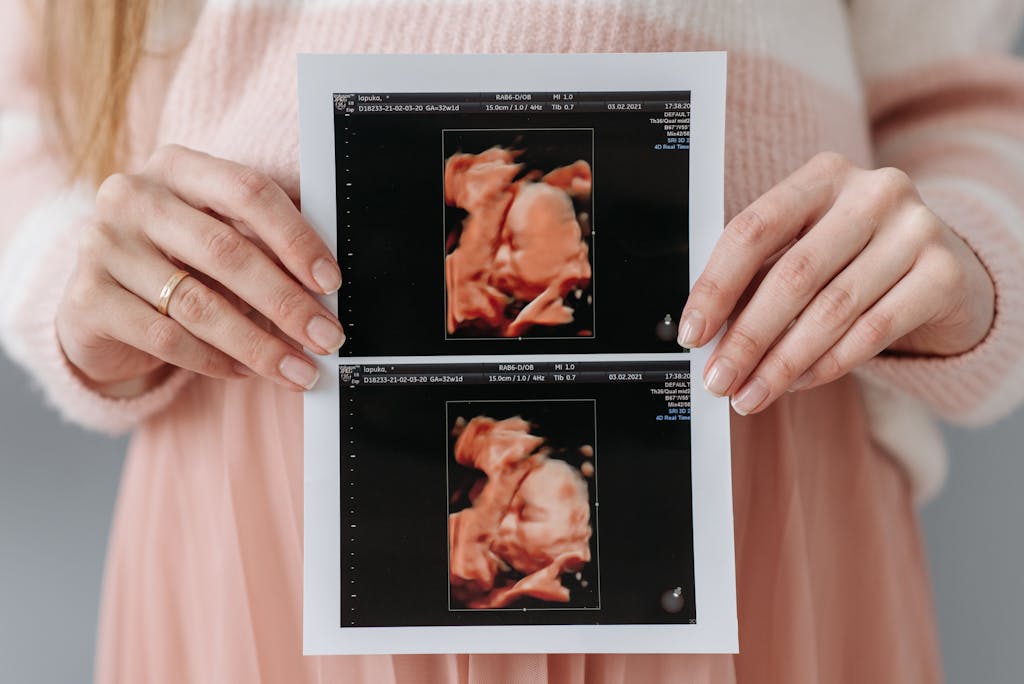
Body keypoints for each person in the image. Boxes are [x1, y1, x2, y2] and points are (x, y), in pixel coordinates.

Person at [2, 0, 1023, 682]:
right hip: (269, 455)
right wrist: (73, 271)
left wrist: (960, 253)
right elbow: (27, 101)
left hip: (762, 434)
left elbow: (956, 91)